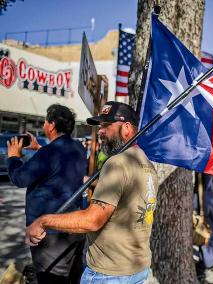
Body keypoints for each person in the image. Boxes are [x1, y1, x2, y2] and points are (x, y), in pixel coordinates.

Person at [25, 101, 158, 284]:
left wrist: (43, 221)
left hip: (109, 274)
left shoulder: (117, 163)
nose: (101, 131)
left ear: (126, 128)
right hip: (137, 269)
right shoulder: (147, 164)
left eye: (106, 125)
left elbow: (92, 220)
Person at [7, 104, 87, 284]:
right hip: (72, 226)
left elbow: (20, 178)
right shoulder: (78, 148)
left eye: (44, 121)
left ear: (51, 125)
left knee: (50, 278)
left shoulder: (50, 152)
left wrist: (13, 157)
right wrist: (40, 149)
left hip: (49, 234)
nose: (43, 125)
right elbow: (58, 162)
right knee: (72, 278)